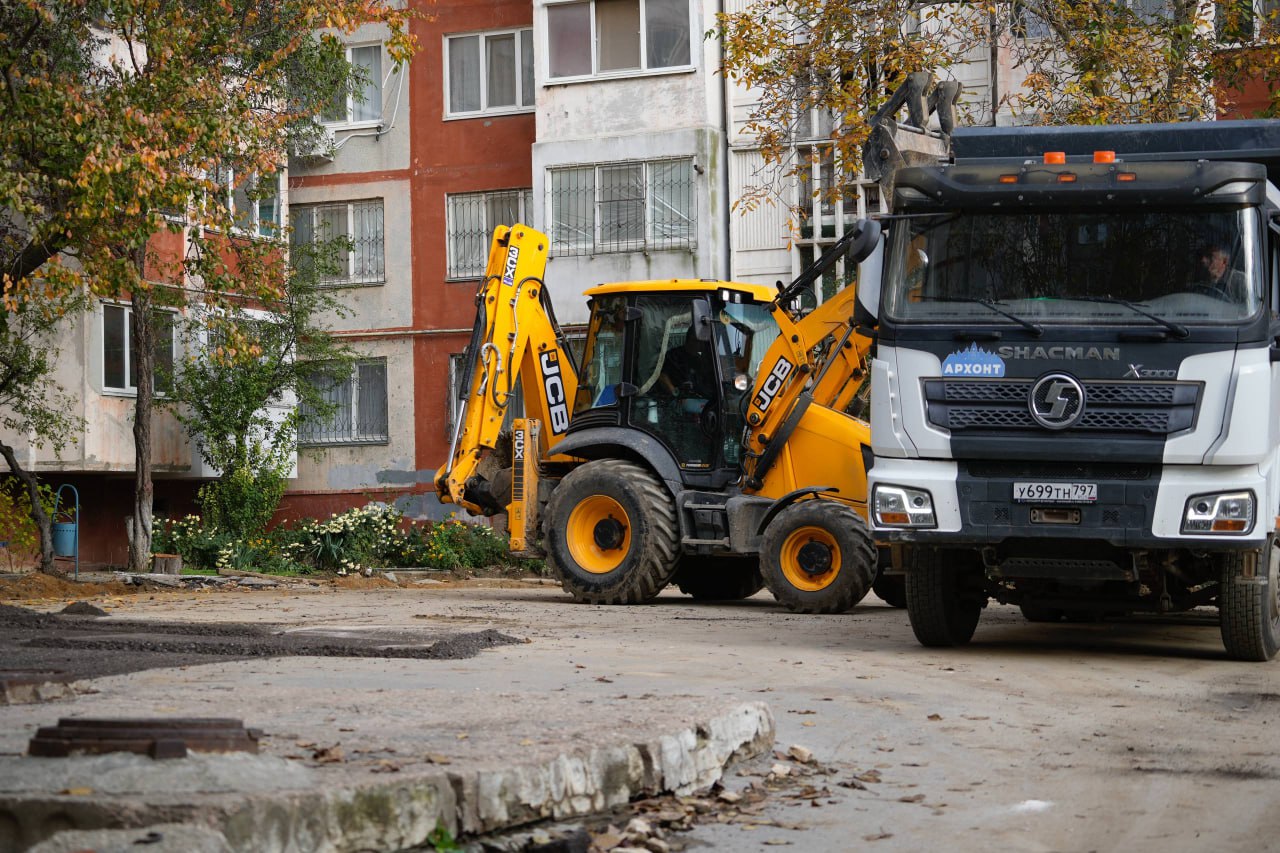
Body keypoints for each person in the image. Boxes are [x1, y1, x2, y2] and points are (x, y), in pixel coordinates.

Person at [658, 327, 717, 400]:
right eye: (698, 341)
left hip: (704, 402)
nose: (701, 345)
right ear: (689, 339)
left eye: (703, 342)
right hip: (678, 403)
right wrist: (674, 392)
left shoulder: (705, 359)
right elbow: (662, 376)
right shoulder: (673, 356)